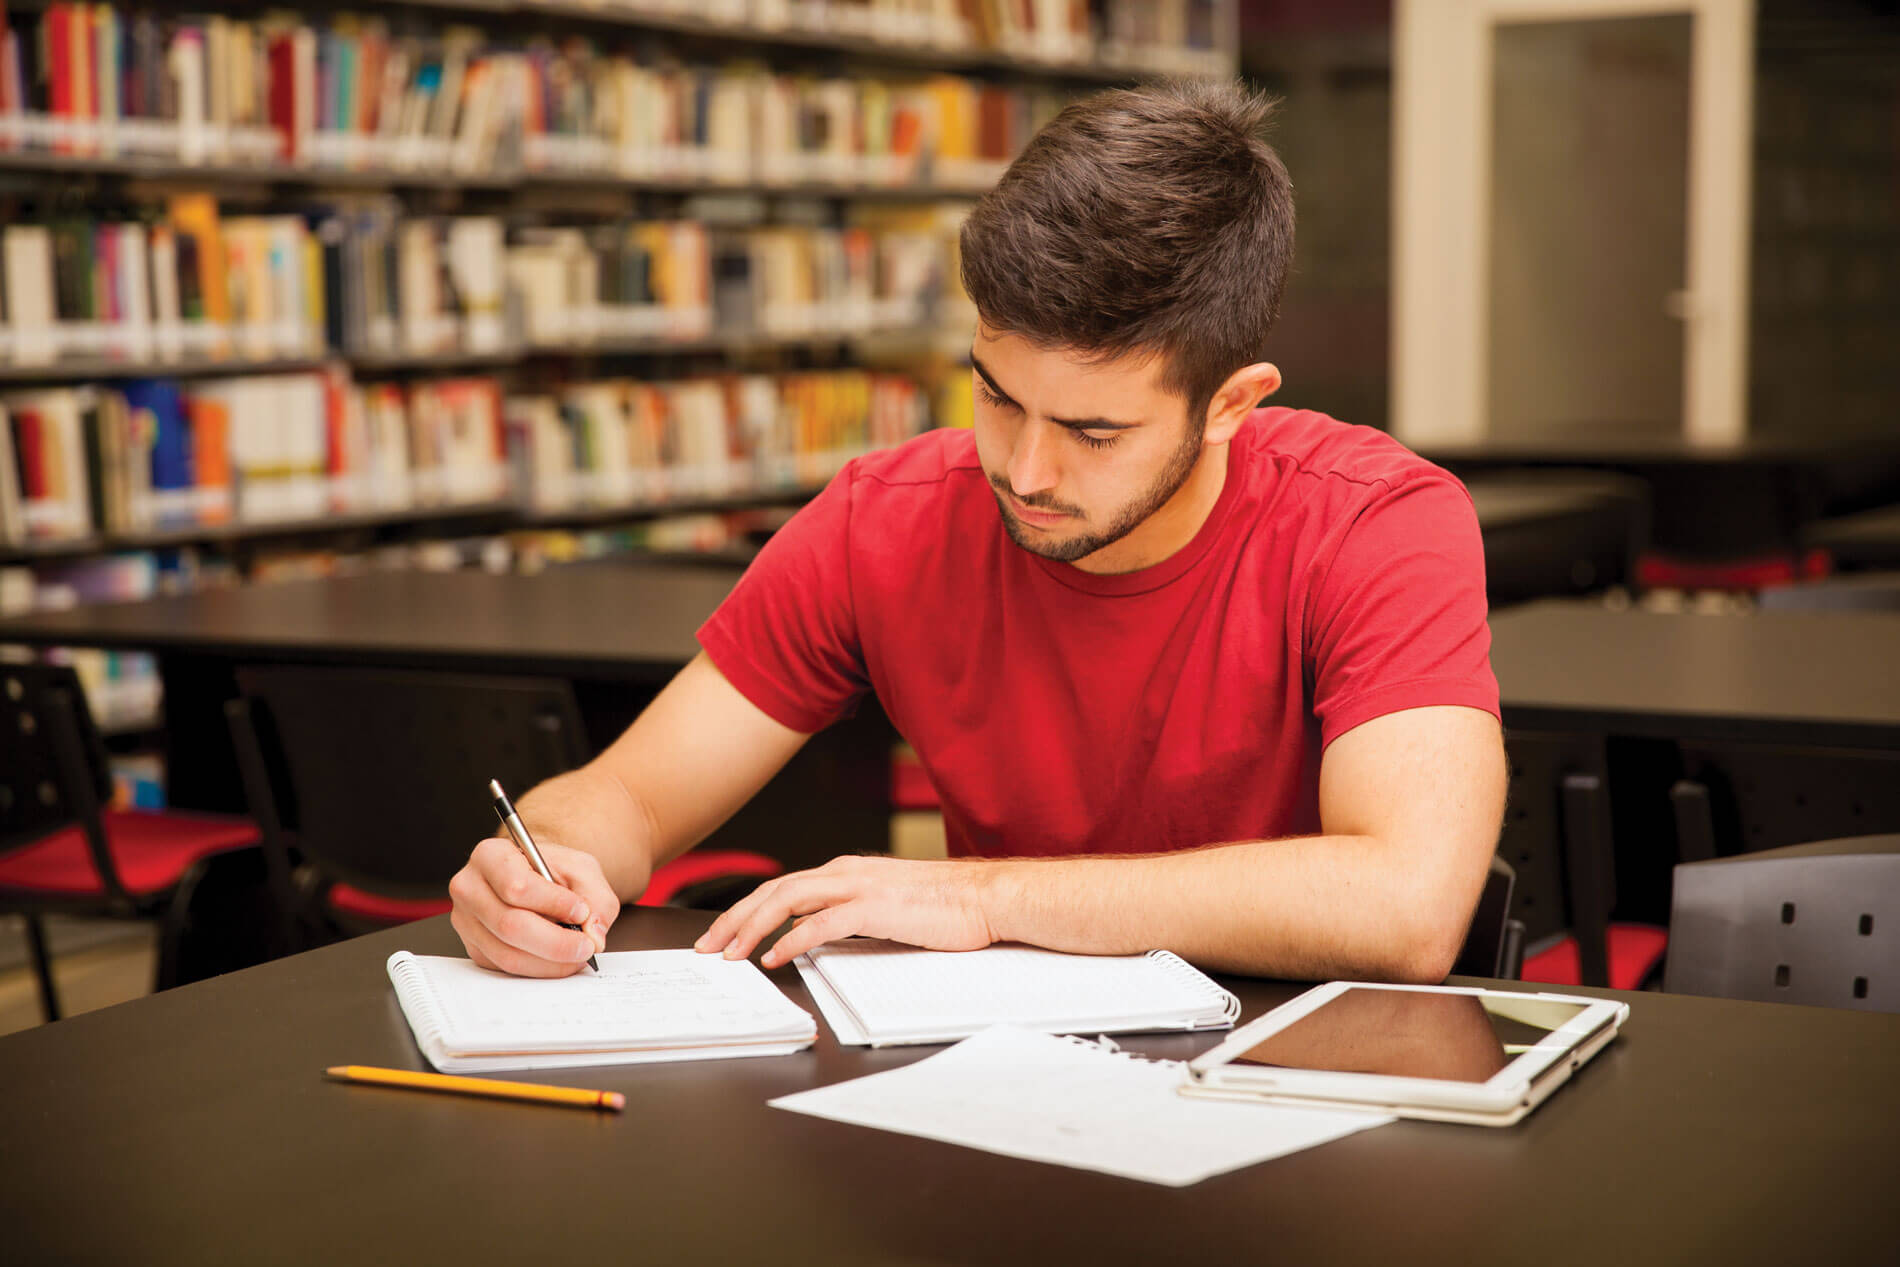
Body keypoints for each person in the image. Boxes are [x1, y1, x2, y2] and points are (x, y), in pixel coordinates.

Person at [448, 79, 1506, 984]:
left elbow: (1406, 906)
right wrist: (542, 860)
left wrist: (986, 897)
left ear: (1232, 403)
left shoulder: (1374, 520)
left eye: (1093, 430)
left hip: (1291, 1093)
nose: (1025, 471)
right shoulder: (887, 519)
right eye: (997, 396)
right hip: (993, 1085)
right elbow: (631, 795)